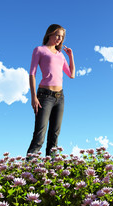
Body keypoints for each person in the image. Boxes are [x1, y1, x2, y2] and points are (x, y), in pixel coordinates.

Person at [27, 24, 75, 157]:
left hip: (60, 97)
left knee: (54, 136)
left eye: (62, 37)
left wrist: (70, 56)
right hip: (44, 96)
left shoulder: (60, 55)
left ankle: (51, 169)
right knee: (39, 135)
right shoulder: (39, 50)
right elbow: (32, 73)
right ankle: (28, 170)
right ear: (50, 34)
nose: (60, 38)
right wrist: (33, 97)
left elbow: (71, 74)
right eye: (57, 35)